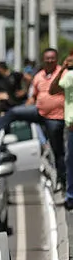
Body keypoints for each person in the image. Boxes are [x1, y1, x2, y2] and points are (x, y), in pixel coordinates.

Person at [0, 49, 66, 191]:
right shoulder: (39, 76)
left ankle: (63, 179)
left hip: (55, 116)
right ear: (43, 60)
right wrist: (24, 106)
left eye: (52, 58)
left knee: (58, 149)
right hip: (39, 111)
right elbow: (33, 97)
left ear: (57, 59)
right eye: (47, 58)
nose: (49, 61)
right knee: (14, 112)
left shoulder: (63, 74)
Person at [50, 50, 73, 206]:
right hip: (71, 126)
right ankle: (70, 196)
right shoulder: (69, 76)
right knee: (70, 161)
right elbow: (52, 90)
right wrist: (63, 69)